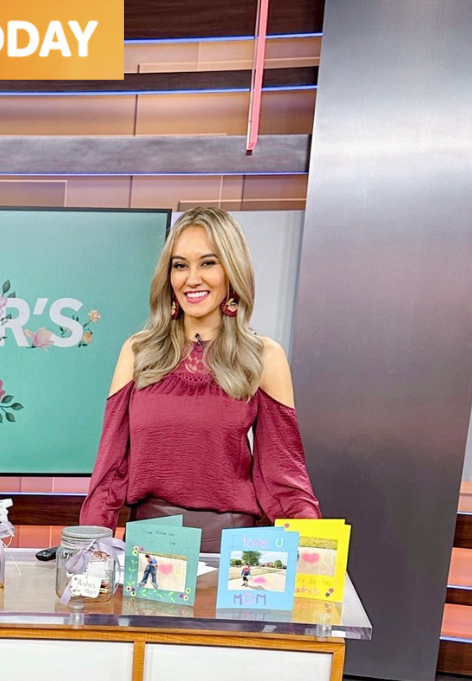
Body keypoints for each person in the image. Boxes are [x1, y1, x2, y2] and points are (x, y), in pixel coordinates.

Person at [80, 206, 321, 553]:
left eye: (208, 263)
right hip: (149, 548)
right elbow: (110, 471)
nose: (192, 278)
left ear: (231, 270)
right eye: (180, 265)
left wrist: (315, 555)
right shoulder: (138, 351)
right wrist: (88, 553)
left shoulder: (264, 356)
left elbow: (284, 478)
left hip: (233, 551)